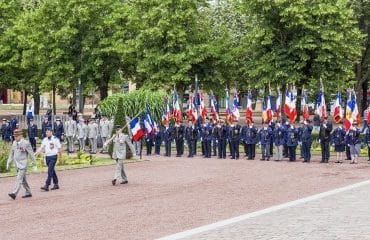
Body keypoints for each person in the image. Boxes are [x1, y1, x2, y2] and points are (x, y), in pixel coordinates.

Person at [6, 129, 37, 200]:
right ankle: (28, 192)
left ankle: (14, 193)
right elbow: (11, 153)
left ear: (20, 136)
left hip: (23, 164)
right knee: (23, 180)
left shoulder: (26, 143)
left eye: (16, 136)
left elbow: (31, 154)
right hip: (17, 164)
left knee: (19, 179)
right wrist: (8, 162)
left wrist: (34, 164)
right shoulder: (14, 143)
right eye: (14, 136)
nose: (15, 138)